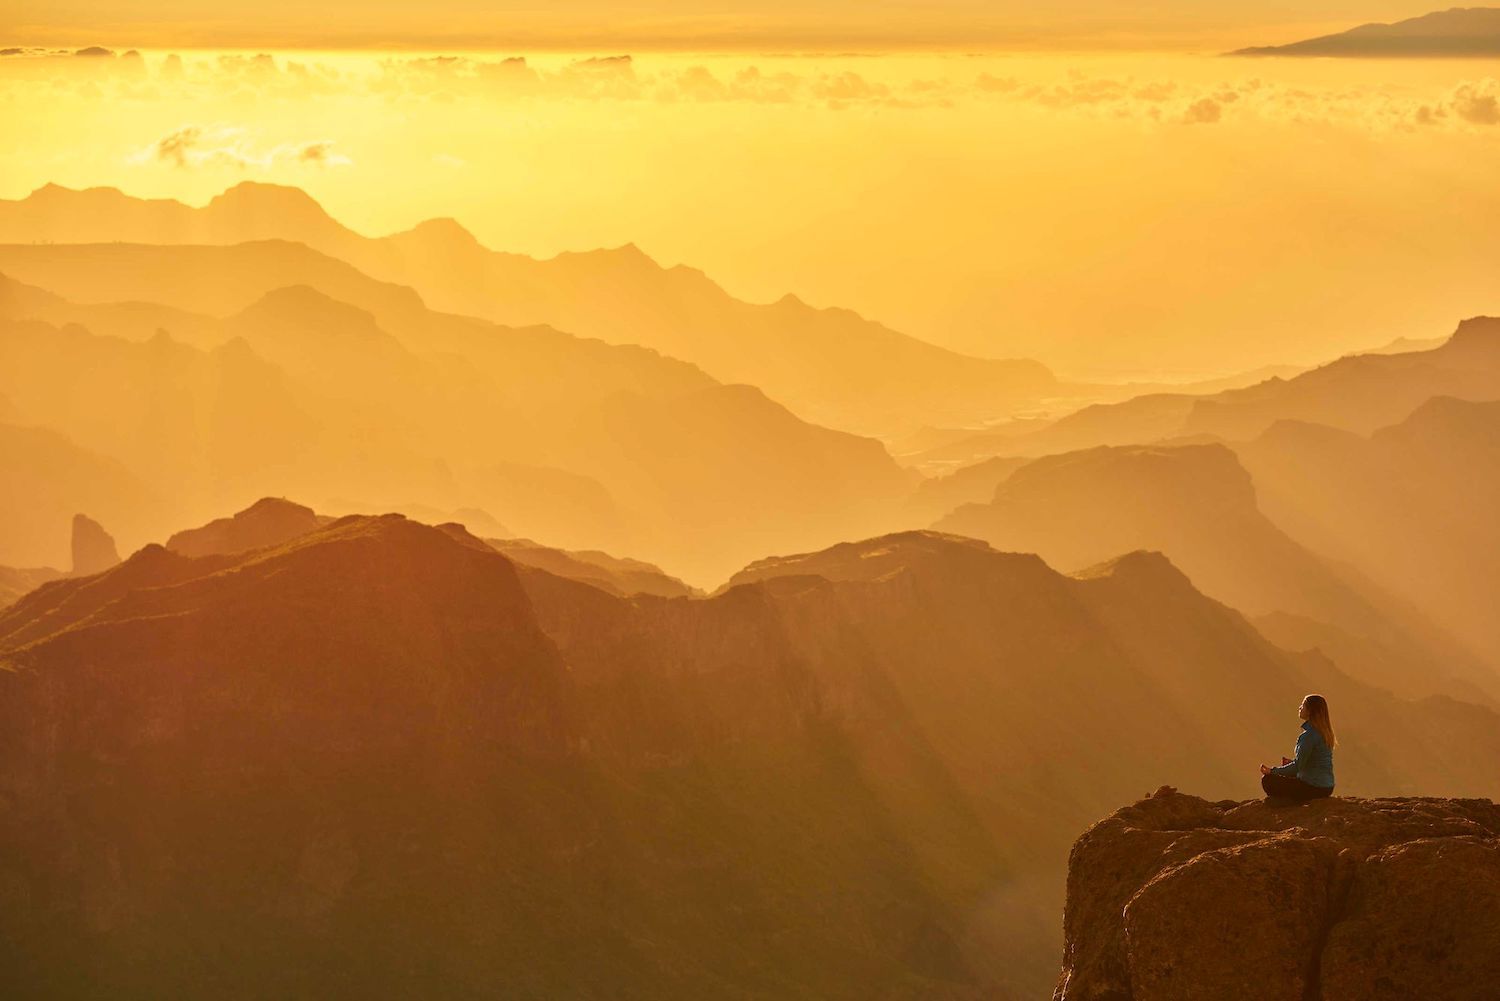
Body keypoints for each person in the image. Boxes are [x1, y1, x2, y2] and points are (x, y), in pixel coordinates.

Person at [1260, 694, 1336, 801]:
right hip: (1327, 786)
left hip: (1313, 787)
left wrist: (1272, 771)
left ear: (1310, 711)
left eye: (1303, 705)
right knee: (1288, 775)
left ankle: (1289, 802)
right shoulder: (1325, 733)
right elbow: (1313, 763)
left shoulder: (1308, 736)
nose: (1300, 707)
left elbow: (1297, 767)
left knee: (1267, 780)